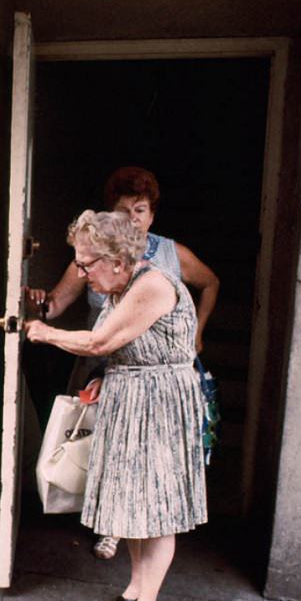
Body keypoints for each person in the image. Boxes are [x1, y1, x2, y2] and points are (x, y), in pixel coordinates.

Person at [25, 211, 207, 601]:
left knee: (157, 509)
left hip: (160, 405)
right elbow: (124, 349)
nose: (81, 273)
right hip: (129, 398)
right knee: (131, 503)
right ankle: (134, 587)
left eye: (86, 264)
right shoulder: (120, 287)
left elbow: (99, 342)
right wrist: (105, 378)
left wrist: (44, 332)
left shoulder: (153, 285)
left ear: (118, 261)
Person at [27, 167, 218, 561]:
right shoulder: (107, 271)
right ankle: (120, 543)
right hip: (114, 372)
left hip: (153, 389)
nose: (131, 218)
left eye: (140, 210)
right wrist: (38, 306)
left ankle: (140, 586)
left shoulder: (157, 272)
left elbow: (101, 339)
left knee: (155, 492)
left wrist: (198, 332)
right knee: (122, 473)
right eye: (123, 210)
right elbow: (62, 307)